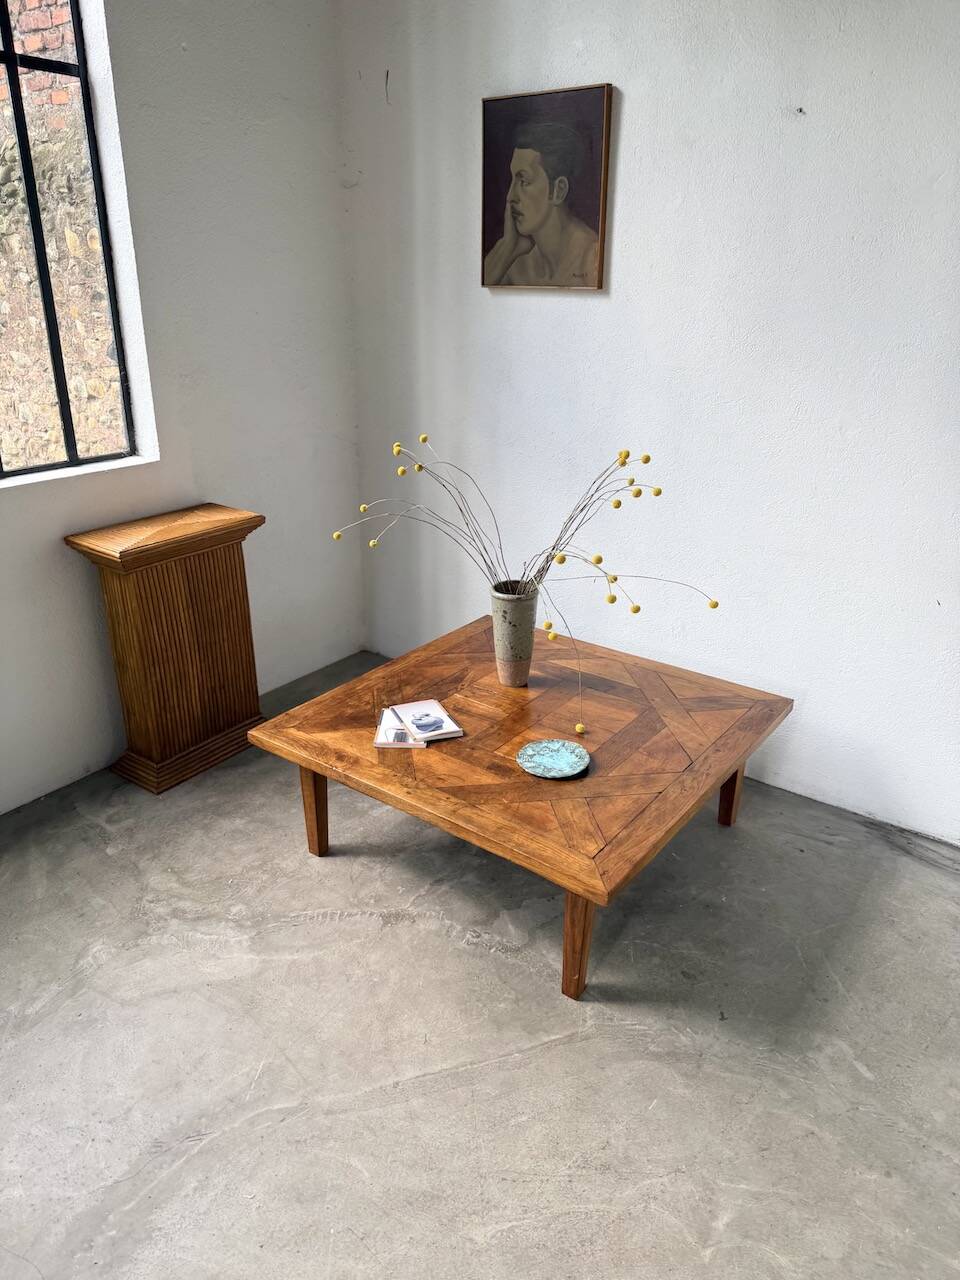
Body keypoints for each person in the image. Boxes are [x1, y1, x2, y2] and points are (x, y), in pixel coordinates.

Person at [483, 122, 599, 287]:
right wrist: (506, 246)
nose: (510, 196)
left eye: (523, 181)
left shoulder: (592, 258)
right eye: (512, 179)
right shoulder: (516, 262)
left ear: (558, 190)